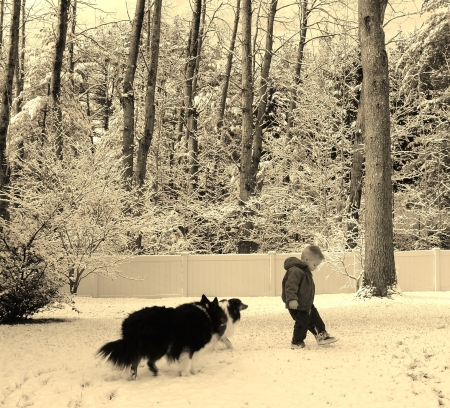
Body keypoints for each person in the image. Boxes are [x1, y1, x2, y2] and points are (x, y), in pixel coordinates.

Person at [281, 245, 338, 349]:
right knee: (303, 323)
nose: (315, 268)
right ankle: (296, 341)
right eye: (315, 265)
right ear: (306, 260)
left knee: (316, 319)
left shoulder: (305, 271)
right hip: (296, 304)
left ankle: (322, 335)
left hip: (306, 303)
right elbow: (290, 286)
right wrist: (292, 299)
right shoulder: (295, 271)